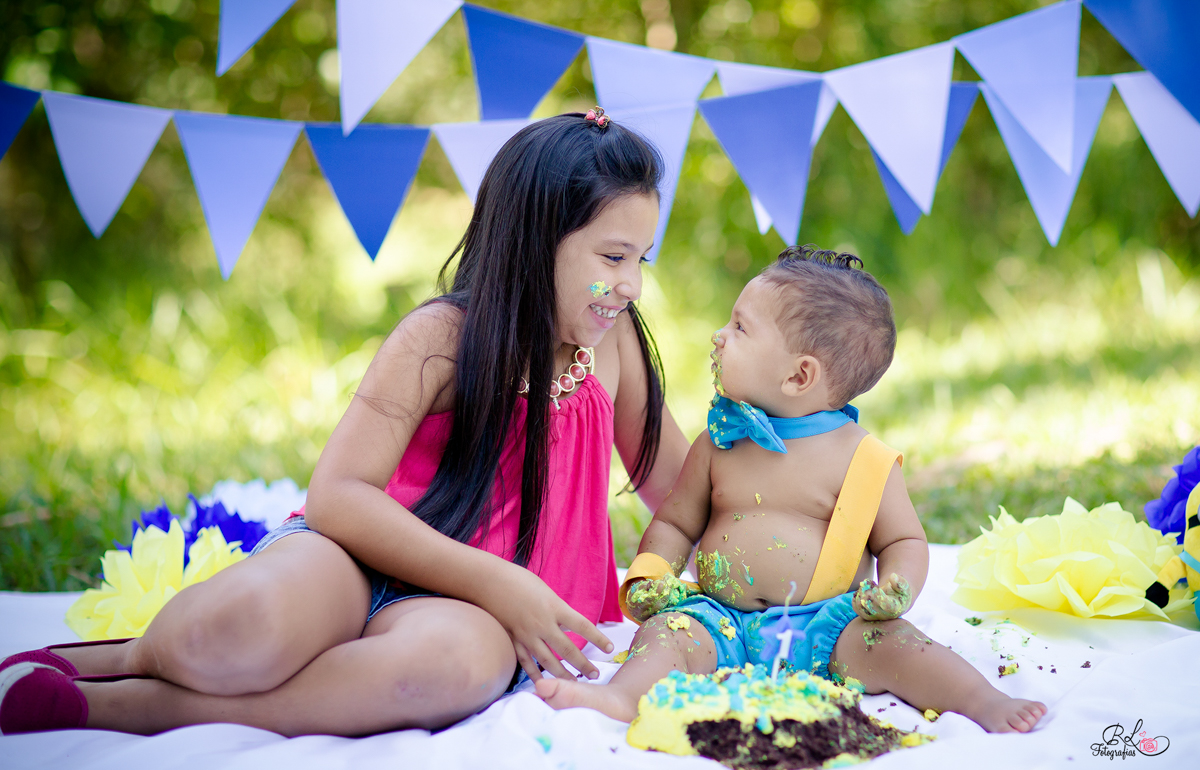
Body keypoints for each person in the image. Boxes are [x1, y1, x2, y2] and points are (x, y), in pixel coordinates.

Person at [0, 111, 690, 737]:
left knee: (452, 669)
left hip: (474, 619)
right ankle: (120, 658)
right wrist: (497, 577)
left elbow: (685, 492)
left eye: (642, 259)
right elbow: (338, 494)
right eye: (613, 257)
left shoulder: (615, 343)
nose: (632, 284)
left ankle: (137, 709)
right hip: (356, 562)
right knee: (233, 629)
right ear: (538, 240)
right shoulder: (442, 337)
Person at [537, 245, 1048, 733]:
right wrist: (653, 572)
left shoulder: (862, 458)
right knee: (665, 637)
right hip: (718, 620)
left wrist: (896, 588)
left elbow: (903, 542)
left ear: (799, 375)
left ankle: (982, 699)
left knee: (900, 646)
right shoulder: (718, 443)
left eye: (739, 327)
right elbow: (675, 522)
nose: (719, 335)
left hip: (827, 626)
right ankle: (622, 698)